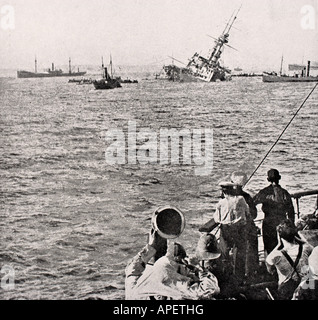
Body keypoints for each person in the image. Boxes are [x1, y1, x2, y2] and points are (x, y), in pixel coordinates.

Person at [199, 179, 250, 288]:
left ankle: (226, 277)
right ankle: (238, 278)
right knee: (239, 254)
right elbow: (247, 212)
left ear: (223, 192)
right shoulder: (240, 199)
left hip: (226, 230)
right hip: (239, 229)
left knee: (224, 253)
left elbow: (217, 219)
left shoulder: (220, 203)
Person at [265, 219, 313, 300]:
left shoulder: (275, 255)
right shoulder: (307, 248)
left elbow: (269, 270)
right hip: (306, 288)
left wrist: (279, 244)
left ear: (279, 235)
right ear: (295, 233)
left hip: (287, 292)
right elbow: (310, 248)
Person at [253, 169, 295, 254]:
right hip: (282, 222)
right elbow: (291, 211)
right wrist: (291, 226)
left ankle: (270, 264)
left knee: (268, 248)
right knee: (282, 246)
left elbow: (253, 203)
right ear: (279, 178)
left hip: (268, 222)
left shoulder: (264, 192)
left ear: (268, 179)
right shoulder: (284, 193)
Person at [230, 171, 260, 276]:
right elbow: (254, 214)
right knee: (250, 251)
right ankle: (251, 273)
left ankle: (238, 275)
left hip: (234, 230)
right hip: (247, 228)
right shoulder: (246, 197)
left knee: (237, 253)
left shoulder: (229, 198)